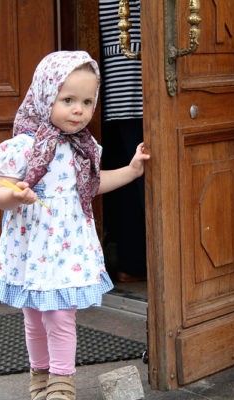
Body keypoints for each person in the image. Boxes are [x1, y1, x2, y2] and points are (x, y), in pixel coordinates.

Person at [0, 51, 150, 400]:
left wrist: (132, 170)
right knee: (34, 317)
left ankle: (62, 382)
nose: (79, 110)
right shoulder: (23, 147)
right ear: (45, 96)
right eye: (68, 100)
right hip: (32, 248)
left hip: (66, 249)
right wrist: (17, 196)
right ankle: (40, 375)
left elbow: (92, 187)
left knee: (60, 315)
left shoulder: (83, 148)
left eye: (87, 102)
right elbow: (0, 194)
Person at [99, 0, 147, 282]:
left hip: (134, 87)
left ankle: (134, 263)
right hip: (115, 89)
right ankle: (132, 262)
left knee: (135, 180)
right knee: (127, 181)